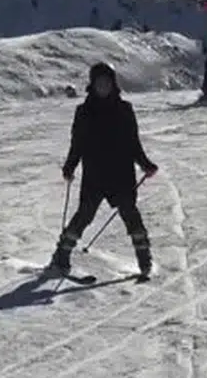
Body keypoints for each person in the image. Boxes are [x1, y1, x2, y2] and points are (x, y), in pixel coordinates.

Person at [50, 62, 159, 278]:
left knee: (130, 215)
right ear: (93, 84)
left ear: (113, 84)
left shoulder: (124, 110)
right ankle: (61, 256)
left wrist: (145, 164)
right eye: (99, 82)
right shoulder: (83, 112)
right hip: (95, 174)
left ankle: (144, 260)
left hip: (121, 173)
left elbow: (133, 142)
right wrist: (70, 166)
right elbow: (77, 144)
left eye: (107, 82)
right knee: (84, 216)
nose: (103, 86)